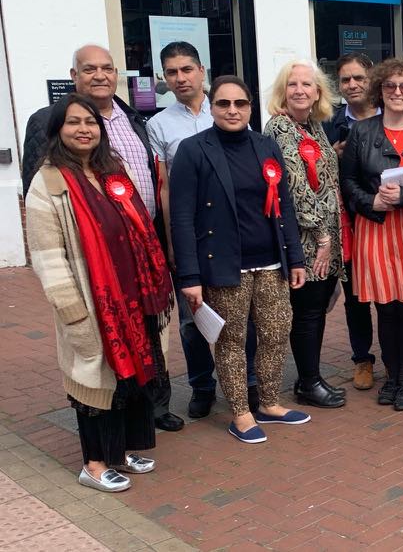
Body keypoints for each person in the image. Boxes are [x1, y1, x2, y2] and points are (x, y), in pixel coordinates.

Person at [25, 44, 181, 432]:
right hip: (94, 255)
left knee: (148, 326)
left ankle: (154, 406)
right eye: (89, 68)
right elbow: (42, 190)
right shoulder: (47, 120)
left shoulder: (135, 118)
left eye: (108, 68)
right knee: (104, 337)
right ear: (73, 75)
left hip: (143, 245)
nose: (100, 75)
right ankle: (108, 425)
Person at [170, 76, 310, 444]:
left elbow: (285, 205)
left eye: (240, 104)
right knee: (231, 340)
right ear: (211, 106)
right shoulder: (193, 150)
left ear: (250, 107)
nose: (232, 111)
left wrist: (295, 257)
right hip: (224, 265)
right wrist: (189, 275)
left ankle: (268, 402)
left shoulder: (266, 146)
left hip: (271, 263)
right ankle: (242, 413)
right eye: (223, 104)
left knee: (276, 332)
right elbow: (182, 217)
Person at [147, 41, 259, 420]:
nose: (180, 78)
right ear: (164, 78)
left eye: (187, 69)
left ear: (201, 71)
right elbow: (164, 189)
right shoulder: (158, 125)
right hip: (191, 233)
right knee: (192, 318)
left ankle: (248, 383)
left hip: (233, 236)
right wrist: (174, 244)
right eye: (172, 72)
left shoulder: (229, 108)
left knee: (242, 315)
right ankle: (202, 386)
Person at [340, 58, 403, 410]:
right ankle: (391, 377)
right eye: (390, 86)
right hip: (375, 230)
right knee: (387, 310)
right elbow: (346, 181)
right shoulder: (361, 132)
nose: (397, 92)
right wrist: (371, 201)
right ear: (380, 90)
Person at [264, 60, 347, 408]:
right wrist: (322, 236)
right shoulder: (281, 129)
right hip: (307, 239)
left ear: (318, 93)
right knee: (308, 311)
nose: (300, 90)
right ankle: (309, 382)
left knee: (314, 308)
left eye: (307, 85)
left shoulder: (313, 126)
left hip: (325, 235)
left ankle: (308, 377)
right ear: (283, 91)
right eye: (293, 84)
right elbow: (294, 188)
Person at [323, 52, 380, 390]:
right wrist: (333, 155)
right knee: (356, 294)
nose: (353, 85)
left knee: (394, 295)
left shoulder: (395, 116)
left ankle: (402, 355)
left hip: (389, 219)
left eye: (359, 77)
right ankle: (362, 359)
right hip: (348, 224)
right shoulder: (328, 125)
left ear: (370, 78)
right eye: (346, 80)